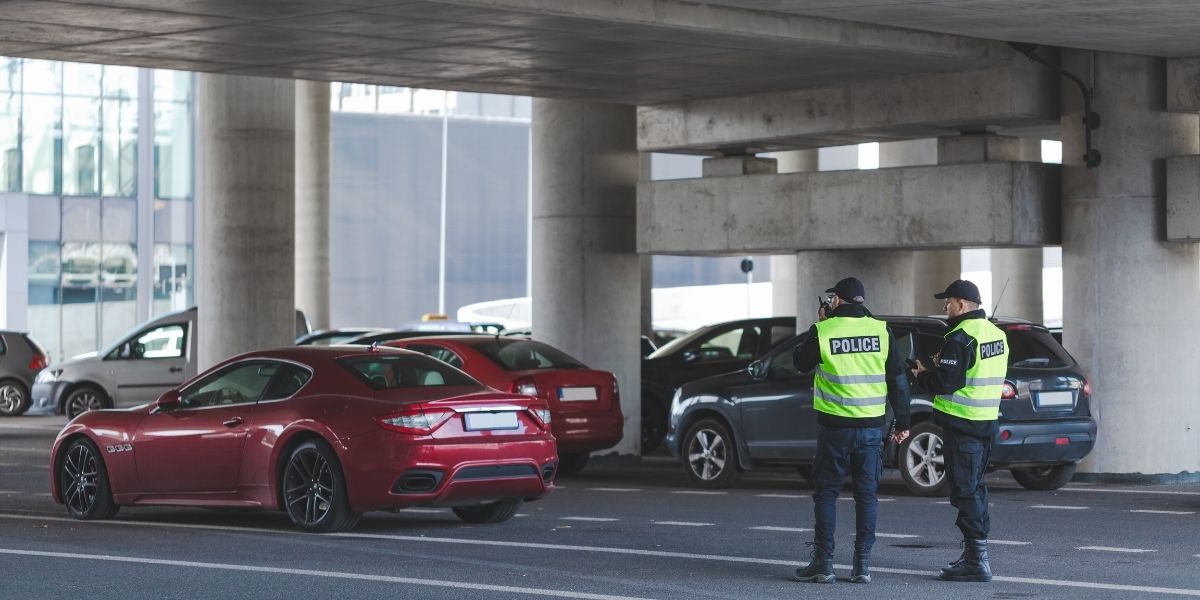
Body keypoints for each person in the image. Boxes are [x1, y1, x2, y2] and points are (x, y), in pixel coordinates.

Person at [792, 277, 911, 584]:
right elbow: (898, 380)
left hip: (835, 430)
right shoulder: (881, 331)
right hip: (872, 429)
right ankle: (862, 566)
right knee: (867, 496)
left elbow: (800, 363)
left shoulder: (824, 330)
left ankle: (824, 563)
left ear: (837, 301)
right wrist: (904, 423)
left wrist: (817, 325)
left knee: (827, 494)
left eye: (832, 299)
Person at [911, 279, 1008, 583]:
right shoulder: (997, 335)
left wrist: (924, 376)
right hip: (985, 423)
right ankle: (974, 556)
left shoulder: (960, 336)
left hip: (962, 425)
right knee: (975, 489)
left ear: (963, 305)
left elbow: (947, 383)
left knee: (965, 492)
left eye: (949, 301)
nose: (945, 307)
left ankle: (977, 561)